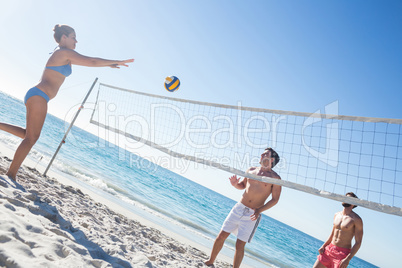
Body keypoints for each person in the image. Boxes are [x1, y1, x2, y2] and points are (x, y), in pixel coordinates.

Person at [0, 24, 134, 180]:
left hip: (37, 95)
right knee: (31, 138)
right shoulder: (63, 53)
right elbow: (91, 61)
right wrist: (115, 61)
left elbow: (89, 62)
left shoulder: (64, 54)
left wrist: (109, 64)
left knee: (27, 135)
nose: (76, 41)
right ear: (63, 37)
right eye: (73, 37)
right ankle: (11, 174)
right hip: (39, 96)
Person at [204, 147, 282, 268]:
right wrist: (235, 184)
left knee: (239, 246)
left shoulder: (275, 178)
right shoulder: (251, 170)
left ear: (272, 159)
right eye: (262, 153)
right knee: (221, 237)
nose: (262, 154)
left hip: (252, 214)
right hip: (239, 208)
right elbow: (243, 185)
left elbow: (275, 199)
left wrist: (259, 210)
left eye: (265, 154)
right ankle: (210, 261)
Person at [313, 192, 364, 268]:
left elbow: (358, 242)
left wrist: (348, 259)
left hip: (342, 254)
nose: (344, 199)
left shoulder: (356, 219)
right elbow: (333, 233)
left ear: (353, 203)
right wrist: (324, 245)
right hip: (329, 249)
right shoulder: (337, 215)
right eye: (345, 197)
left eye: (348, 198)